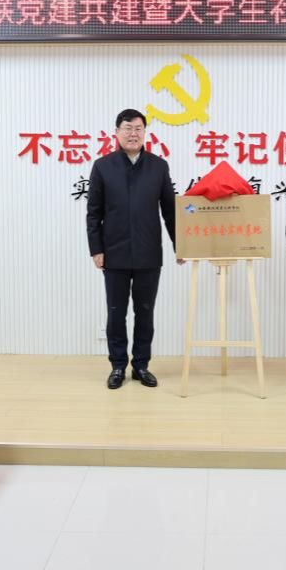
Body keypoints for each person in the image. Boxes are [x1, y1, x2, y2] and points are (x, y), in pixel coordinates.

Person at [86, 109, 176, 389]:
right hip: (114, 253)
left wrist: (181, 246)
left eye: (138, 128)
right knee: (116, 312)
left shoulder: (158, 166)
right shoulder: (103, 166)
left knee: (145, 311)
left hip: (149, 253)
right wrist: (96, 249)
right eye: (127, 128)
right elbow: (93, 213)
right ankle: (117, 366)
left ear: (145, 132)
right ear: (117, 132)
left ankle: (141, 365)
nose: (133, 134)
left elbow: (170, 211)